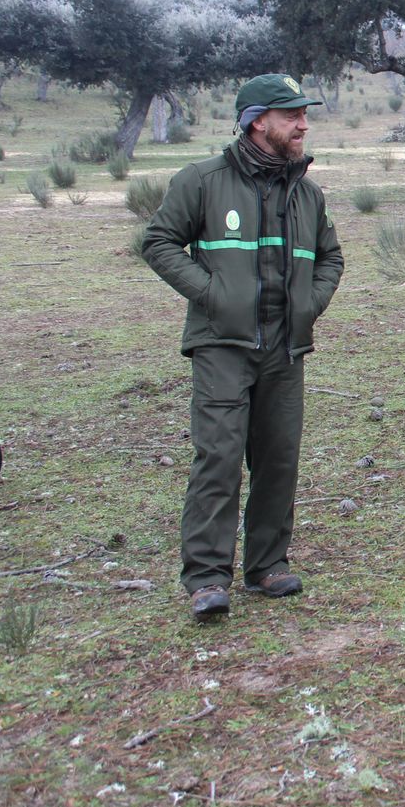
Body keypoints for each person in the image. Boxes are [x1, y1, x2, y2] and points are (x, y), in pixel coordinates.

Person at [142, 74, 345, 619]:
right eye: (292, 116)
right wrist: (211, 294)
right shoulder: (203, 180)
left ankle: (267, 566)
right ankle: (207, 578)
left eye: (304, 115)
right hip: (222, 346)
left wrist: (310, 305)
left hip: (286, 349)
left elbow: (331, 258)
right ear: (259, 121)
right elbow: (159, 242)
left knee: (278, 459)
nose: (303, 124)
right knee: (220, 457)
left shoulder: (306, 192)